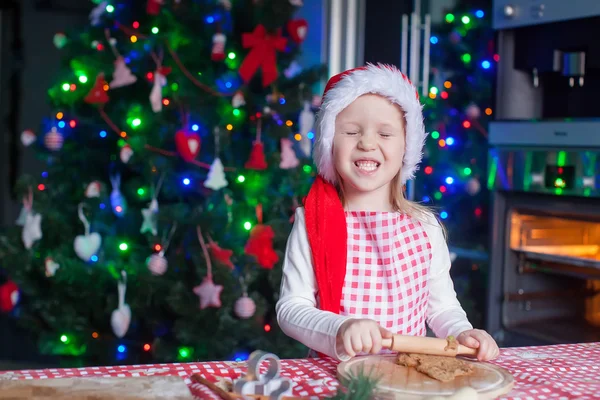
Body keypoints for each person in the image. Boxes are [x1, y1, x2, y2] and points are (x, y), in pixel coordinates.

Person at [276, 63, 499, 362]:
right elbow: (291, 308)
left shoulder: (425, 227)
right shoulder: (312, 223)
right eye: (352, 131)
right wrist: (340, 328)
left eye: (385, 133)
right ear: (330, 143)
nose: (367, 143)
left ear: (407, 147)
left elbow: (442, 306)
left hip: (407, 378)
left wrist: (461, 331)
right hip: (340, 382)